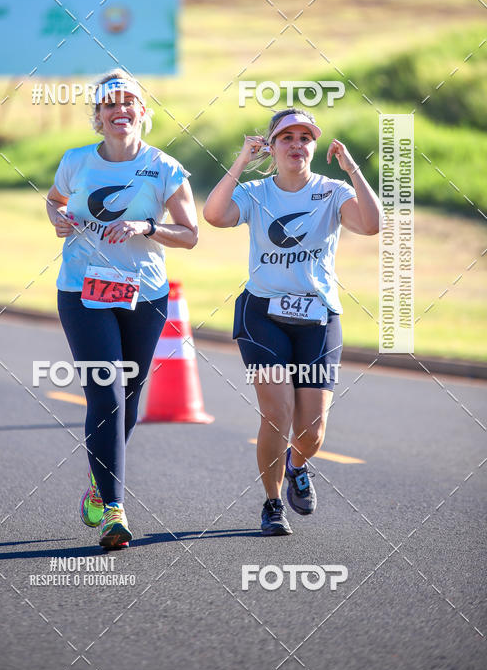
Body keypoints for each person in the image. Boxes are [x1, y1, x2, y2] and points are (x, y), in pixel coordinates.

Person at [203, 108, 382, 536]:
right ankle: (271, 504)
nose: (297, 145)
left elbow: (372, 225)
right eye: (287, 138)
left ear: (314, 147)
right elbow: (214, 214)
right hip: (263, 314)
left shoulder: (332, 191)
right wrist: (241, 161)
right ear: (273, 146)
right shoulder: (256, 192)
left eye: (305, 138)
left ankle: (297, 463)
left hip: (318, 316)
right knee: (276, 415)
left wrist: (353, 168)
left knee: (312, 432)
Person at [47, 69, 198, 549]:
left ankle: (99, 481)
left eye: (128, 101)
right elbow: (54, 202)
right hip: (82, 291)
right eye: (109, 104)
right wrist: (57, 219)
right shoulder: (75, 162)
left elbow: (191, 234)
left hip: (144, 295)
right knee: (106, 393)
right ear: (98, 116)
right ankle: (115, 509)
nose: (120, 110)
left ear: (143, 113)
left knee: (128, 400)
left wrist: (146, 228)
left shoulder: (165, 167)